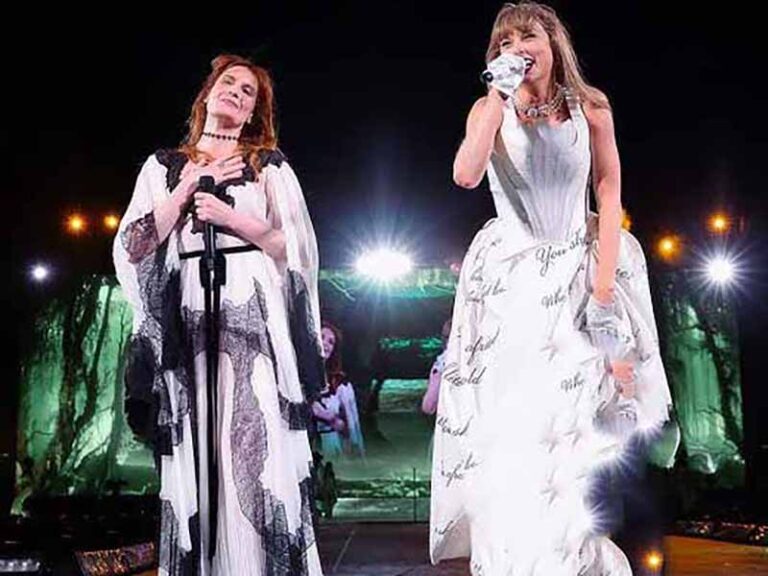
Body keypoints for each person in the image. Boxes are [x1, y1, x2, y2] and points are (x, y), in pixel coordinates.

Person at [429, 4, 672, 575]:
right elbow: (465, 174)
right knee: (516, 431)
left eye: (528, 36)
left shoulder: (592, 107)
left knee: (574, 429)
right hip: (512, 284)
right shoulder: (489, 108)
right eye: (504, 40)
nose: (517, 46)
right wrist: (496, 96)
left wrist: (603, 293)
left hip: (576, 273)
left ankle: (572, 558)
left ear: (552, 41)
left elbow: (608, 194)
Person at [114, 54, 324, 575]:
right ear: (207, 93)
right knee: (200, 446)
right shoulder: (163, 166)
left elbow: (294, 247)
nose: (236, 92)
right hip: (190, 312)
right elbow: (133, 245)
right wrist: (189, 186)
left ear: (253, 113)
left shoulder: (267, 165)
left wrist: (231, 218)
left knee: (254, 447)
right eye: (228, 83)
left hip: (253, 313)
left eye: (248, 92)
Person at [312, 322, 365, 458]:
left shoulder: (340, 383)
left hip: (331, 448)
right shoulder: (298, 377)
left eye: (331, 342)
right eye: (322, 337)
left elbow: (352, 427)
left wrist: (334, 420)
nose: (326, 344)